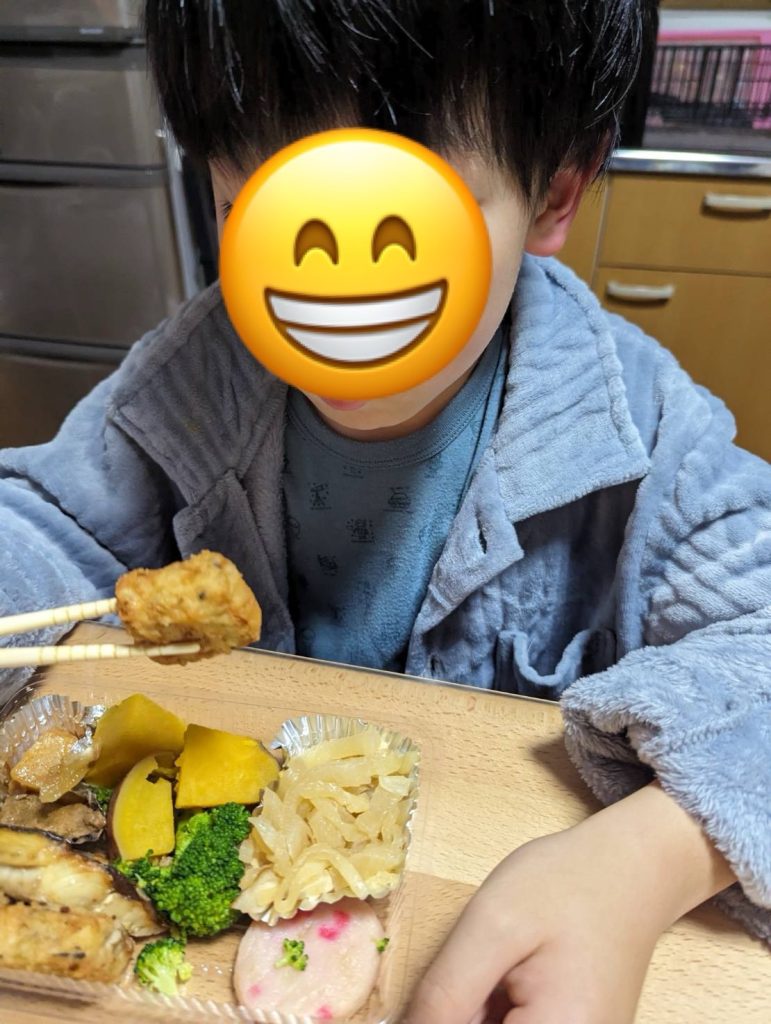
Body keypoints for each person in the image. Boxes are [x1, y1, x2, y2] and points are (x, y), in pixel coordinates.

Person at [0, 2, 768, 1020]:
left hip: (495, 897)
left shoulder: (643, 431)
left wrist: (647, 858)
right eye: (258, 197)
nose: (329, 282)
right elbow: (44, 527)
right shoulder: (187, 381)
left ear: (555, 191)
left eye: (401, 217)